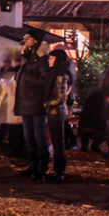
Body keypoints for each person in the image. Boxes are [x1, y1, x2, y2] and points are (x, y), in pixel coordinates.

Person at [15, 29, 51, 180]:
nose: (26, 40)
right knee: (28, 135)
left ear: (35, 40)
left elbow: (45, 81)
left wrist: (28, 79)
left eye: (28, 37)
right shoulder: (27, 57)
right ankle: (32, 163)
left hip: (36, 101)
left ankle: (42, 165)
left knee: (38, 134)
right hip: (24, 101)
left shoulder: (42, 59)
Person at [44, 48, 74, 183]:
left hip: (57, 111)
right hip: (54, 111)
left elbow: (61, 96)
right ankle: (57, 170)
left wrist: (47, 104)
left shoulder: (61, 75)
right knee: (56, 141)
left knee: (58, 142)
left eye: (51, 58)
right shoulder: (55, 73)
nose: (49, 61)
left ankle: (59, 171)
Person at [0, 52, 24, 159]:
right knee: (16, 129)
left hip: (13, 103)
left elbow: (12, 89)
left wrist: (4, 84)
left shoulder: (15, 73)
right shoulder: (20, 72)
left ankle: (16, 151)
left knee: (15, 129)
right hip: (17, 104)